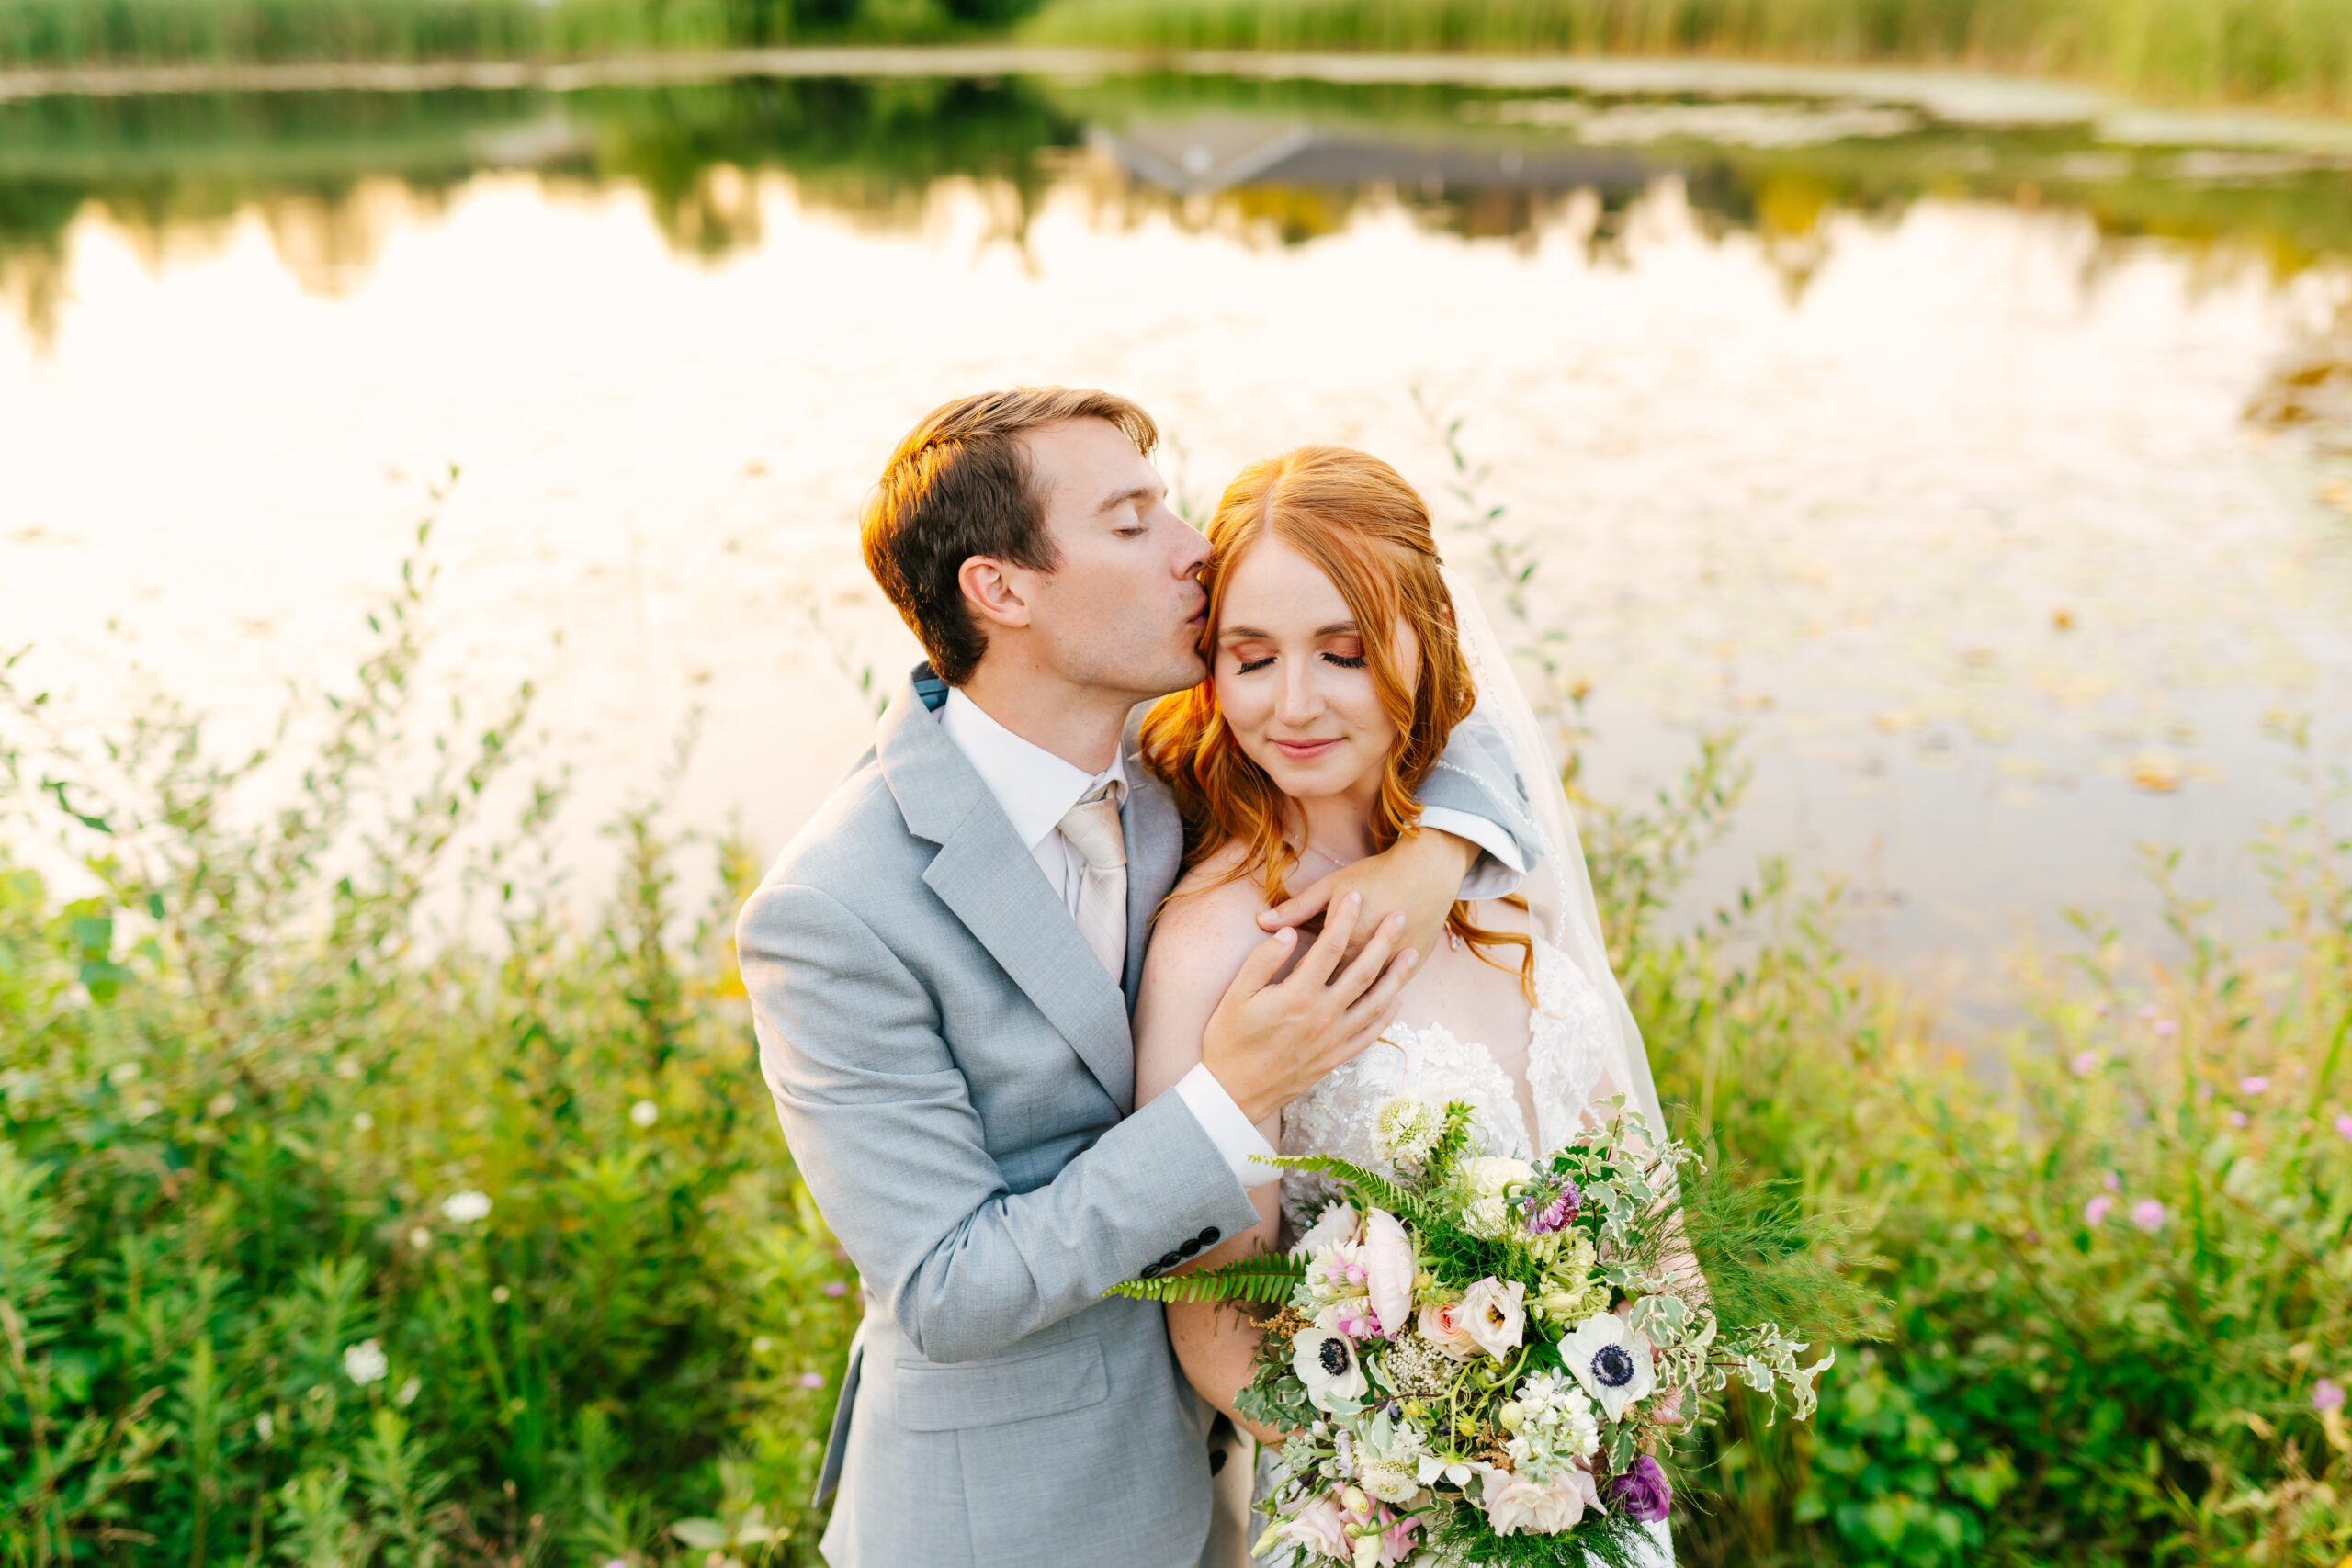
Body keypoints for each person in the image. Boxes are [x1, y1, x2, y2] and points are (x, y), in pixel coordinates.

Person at [734, 389, 1546, 1568]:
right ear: (1001, 590)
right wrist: (1229, 1095)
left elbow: (1440, 713)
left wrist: (1435, 856)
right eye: (1132, 522)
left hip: (1233, 1483)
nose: (1193, 551)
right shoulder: (834, 908)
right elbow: (947, 1289)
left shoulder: (1168, 769)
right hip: (1012, 1522)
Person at [1131, 445, 1673, 1564]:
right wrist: (1431, 1485)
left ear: (1424, 641)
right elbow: (1216, 1313)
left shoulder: (1488, 861)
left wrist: (1647, 1368)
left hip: (1584, 1490)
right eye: (1251, 657)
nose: (1293, 704)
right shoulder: (1219, 941)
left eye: (1342, 652)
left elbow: (1630, 1169)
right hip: (1380, 1521)